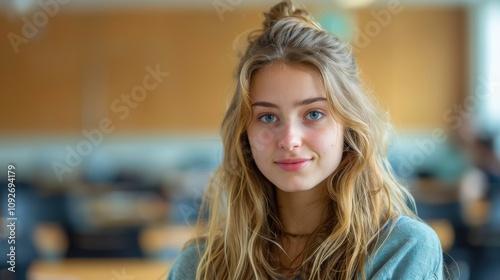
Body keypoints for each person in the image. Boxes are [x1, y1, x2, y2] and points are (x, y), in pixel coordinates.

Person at [167, 0, 444, 279]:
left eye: (313, 114)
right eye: (267, 117)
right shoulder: (201, 265)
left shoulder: (401, 250)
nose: (290, 140)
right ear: (244, 134)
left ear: (348, 124)